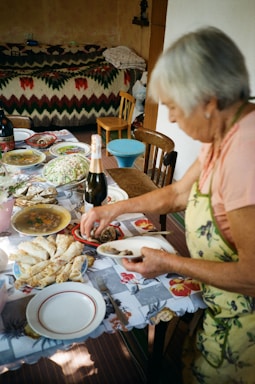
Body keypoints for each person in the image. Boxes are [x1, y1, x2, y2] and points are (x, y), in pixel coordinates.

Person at [80, 26, 255, 383]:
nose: (171, 118)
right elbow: (177, 194)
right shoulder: (224, 131)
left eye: (174, 107)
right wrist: (113, 209)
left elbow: (252, 275)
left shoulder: (245, 153)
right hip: (220, 300)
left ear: (208, 101)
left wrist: (170, 263)